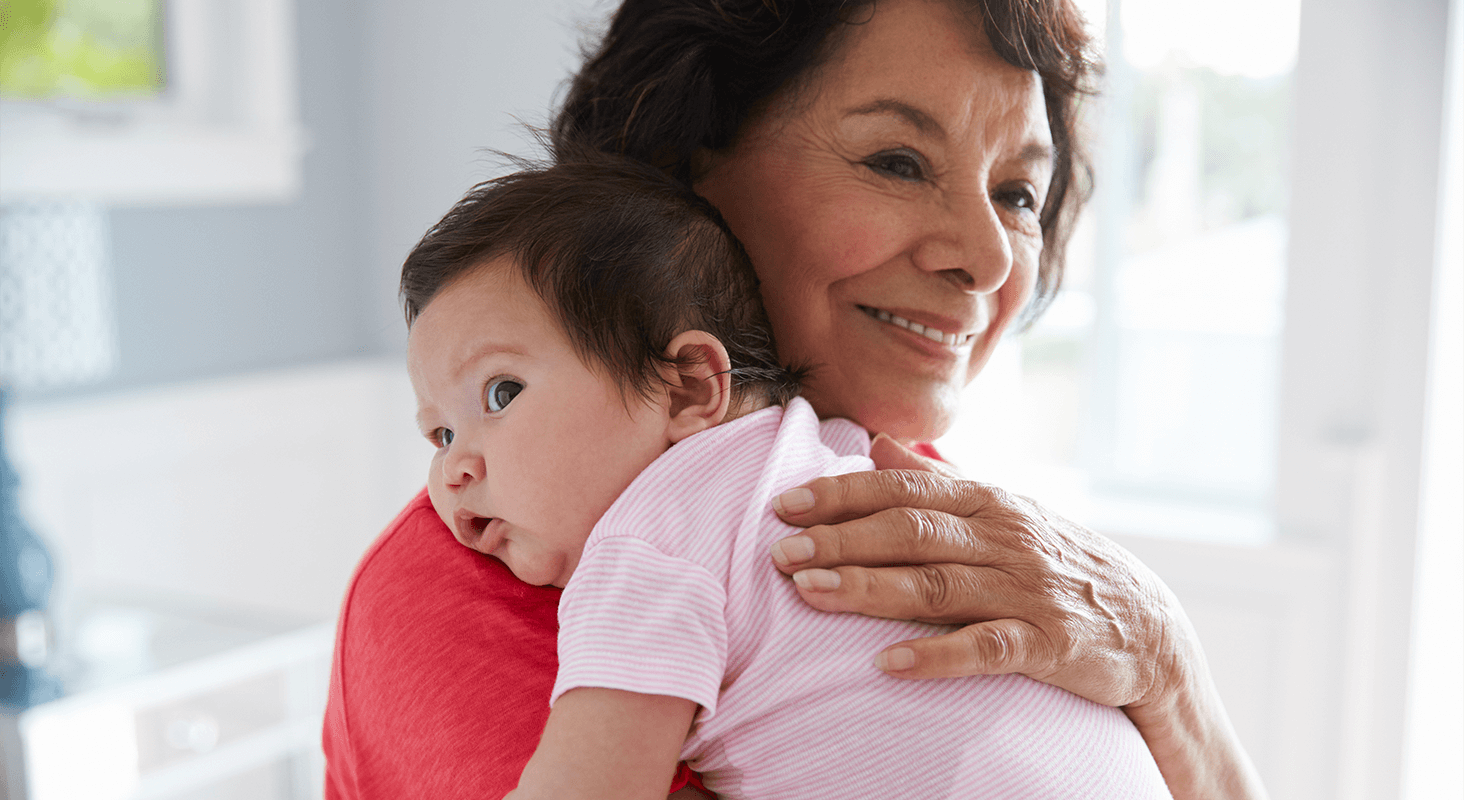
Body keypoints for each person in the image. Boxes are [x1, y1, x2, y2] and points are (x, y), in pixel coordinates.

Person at [323, 1, 1267, 798]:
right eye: (897, 161)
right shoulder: (484, 580)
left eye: (1018, 193)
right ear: (687, 164)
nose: (984, 258)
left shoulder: (873, 474)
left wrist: (1167, 663)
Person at [401, 156, 1172, 798]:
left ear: (688, 387)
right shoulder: (828, 446)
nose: (453, 468)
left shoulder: (644, 548)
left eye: (501, 394)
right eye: (439, 432)